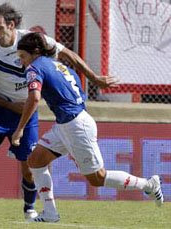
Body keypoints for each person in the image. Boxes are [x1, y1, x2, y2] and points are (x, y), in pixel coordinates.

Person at [0, 3, 117, 220]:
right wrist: (10, 105)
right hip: (0, 109)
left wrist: (94, 77)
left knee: (29, 166)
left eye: (0, 28)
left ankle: (29, 208)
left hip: (27, 112)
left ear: (11, 25)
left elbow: (67, 54)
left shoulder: (32, 41)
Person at [11, 32, 164, 223]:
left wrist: (20, 129)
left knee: (97, 178)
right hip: (69, 123)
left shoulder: (34, 68)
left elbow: (34, 97)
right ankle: (50, 214)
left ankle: (147, 184)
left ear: (34, 53)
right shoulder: (58, 65)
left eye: (22, 57)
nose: (22, 62)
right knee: (35, 161)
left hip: (75, 126)